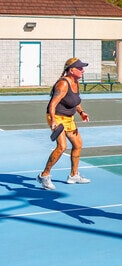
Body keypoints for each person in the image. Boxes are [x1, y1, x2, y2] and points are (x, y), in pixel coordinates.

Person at [37, 58, 91, 190]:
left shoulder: (75, 82)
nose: (82, 70)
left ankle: (74, 175)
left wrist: (81, 112)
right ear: (71, 70)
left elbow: (75, 101)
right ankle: (44, 175)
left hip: (68, 118)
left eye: (82, 68)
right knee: (62, 146)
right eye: (79, 68)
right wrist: (54, 121)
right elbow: (53, 104)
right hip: (56, 116)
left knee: (78, 144)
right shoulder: (63, 84)